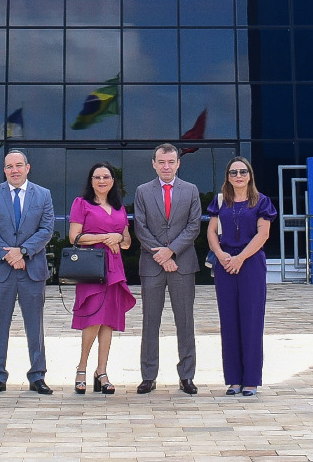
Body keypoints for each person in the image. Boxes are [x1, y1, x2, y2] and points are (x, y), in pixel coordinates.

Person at [0, 149, 55, 395]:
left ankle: (37, 376)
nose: (15, 170)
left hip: (32, 270)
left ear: (28, 168)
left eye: (19, 165)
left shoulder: (43, 195)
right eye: (9, 166)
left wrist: (22, 252)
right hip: (1, 271)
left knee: (35, 326)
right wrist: (9, 255)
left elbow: (46, 229)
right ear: (4, 170)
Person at [132, 143, 202, 395]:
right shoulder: (142, 191)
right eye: (161, 162)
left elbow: (194, 227)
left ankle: (186, 376)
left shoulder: (191, 190)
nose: (166, 166)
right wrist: (162, 256)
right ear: (153, 163)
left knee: (185, 322)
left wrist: (171, 252)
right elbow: (140, 227)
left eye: (171, 162)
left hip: (182, 265)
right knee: (150, 322)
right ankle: (148, 376)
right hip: (152, 267)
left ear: (178, 163)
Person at [206, 156, 278, 396]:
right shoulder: (220, 202)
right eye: (233, 172)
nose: (238, 176)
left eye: (243, 172)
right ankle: (234, 380)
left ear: (250, 175)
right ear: (227, 176)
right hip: (225, 263)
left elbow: (263, 234)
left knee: (251, 320)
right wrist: (221, 254)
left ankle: (251, 380)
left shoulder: (261, 201)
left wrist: (240, 258)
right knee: (229, 321)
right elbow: (211, 232)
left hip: (251, 263)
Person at [68, 162, 135, 395]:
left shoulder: (119, 207)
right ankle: (82, 367)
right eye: (97, 177)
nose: (102, 181)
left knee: (109, 321)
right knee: (93, 318)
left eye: (106, 177)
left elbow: (127, 241)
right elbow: (73, 237)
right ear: (91, 180)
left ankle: (102, 371)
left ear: (113, 181)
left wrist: (117, 238)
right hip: (92, 268)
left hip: (115, 270)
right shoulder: (81, 203)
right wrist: (106, 236)